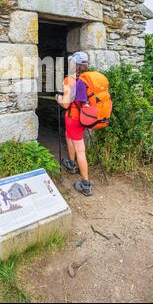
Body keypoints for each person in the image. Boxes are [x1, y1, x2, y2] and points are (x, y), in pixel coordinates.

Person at [55, 52, 93, 197]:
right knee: (68, 136)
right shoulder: (87, 78)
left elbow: (66, 104)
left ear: (74, 64)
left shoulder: (70, 80)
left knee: (80, 150)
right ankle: (71, 163)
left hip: (73, 118)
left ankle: (85, 184)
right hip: (84, 117)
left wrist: (57, 97)